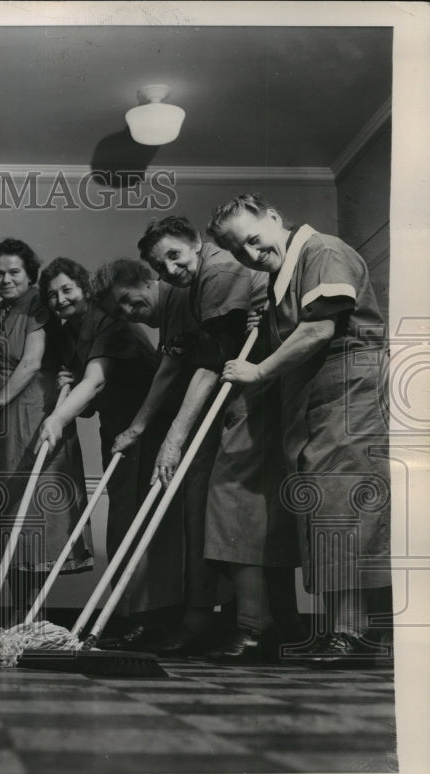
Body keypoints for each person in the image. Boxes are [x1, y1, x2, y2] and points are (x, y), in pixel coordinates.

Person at [103, 216, 301, 662]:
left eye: (175, 255)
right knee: (234, 507)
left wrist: (173, 439)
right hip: (246, 392)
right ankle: (260, 623)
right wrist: (139, 428)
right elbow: (178, 363)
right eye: (161, 264)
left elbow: (212, 361)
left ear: (194, 243)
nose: (170, 268)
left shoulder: (216, 272)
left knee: (235, 504)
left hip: (256, 393)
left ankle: (256, 626)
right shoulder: (192, 285)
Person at [209, 193, 391, 663]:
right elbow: (298, 326)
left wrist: (258, 371)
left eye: (253, 239)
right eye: (237, 251)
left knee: (341, 508)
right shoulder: (283, 279)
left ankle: (355, 636)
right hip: (319, 403)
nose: (249, 254)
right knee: (326, 509)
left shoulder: (322, 251)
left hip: (349, 396)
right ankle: (345, 633)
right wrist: (267, 320)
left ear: (273, 218)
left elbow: (318, 331)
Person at [36, 257, 183, 643]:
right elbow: (91, 399)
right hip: (118, 432)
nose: (60, 299)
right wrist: (73, 387)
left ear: (85, 289)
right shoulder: (76, 332)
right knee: (121, 522)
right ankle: (127, 613)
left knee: (141, 523)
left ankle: (149, 619)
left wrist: (56, 419)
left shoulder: (112, 324)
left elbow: (97, 383)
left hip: (148, 429)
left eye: (67, 289)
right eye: (52, 294)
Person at [0, 239, 92, 623]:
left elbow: (30, 363)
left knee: (37, 513)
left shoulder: (40, 303)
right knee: (9, 514)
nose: (6, 279)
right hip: (4, 423)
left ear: (29, 275)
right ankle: (15, 614)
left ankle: (32, 618)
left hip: (35, 413)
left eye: (14, 273)